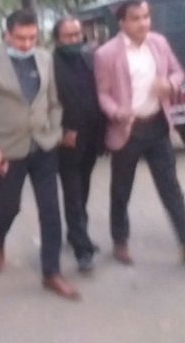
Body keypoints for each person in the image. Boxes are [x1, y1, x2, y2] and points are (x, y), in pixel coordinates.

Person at [94, 0, 185, 266]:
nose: (143, 23)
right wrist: (116, 112)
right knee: (121, 190)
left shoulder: (159, 43)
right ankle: (120, 241)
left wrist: (169, 84)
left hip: (157, 125)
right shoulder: (106, 54)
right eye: (136, 18)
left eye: (146, 17)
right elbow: (102, 94)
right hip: (128, 130)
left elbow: (178, 72)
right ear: (122, 22)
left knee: (171, 187)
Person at [0, 9, 79, 300]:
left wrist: (55, 132)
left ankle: (51, 273)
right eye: (20, 38)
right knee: (9, 206)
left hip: (43, 146)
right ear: (7, 34)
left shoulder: (44, 58)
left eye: (32, 37)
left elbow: (54, 102)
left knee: (50, 210)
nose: (27, 44)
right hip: (8, 150)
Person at [52, 17, 106, 273]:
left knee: (83, 189)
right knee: (73, 193)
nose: (74, 40)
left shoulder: (87, 59)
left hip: (91, 137)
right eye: (68, 36)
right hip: (66, 141)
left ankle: (77, 232)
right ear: (57, 39)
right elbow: (44, 105)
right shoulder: (50, 66)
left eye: (77, 35)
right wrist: (60, 132)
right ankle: (82, 250)